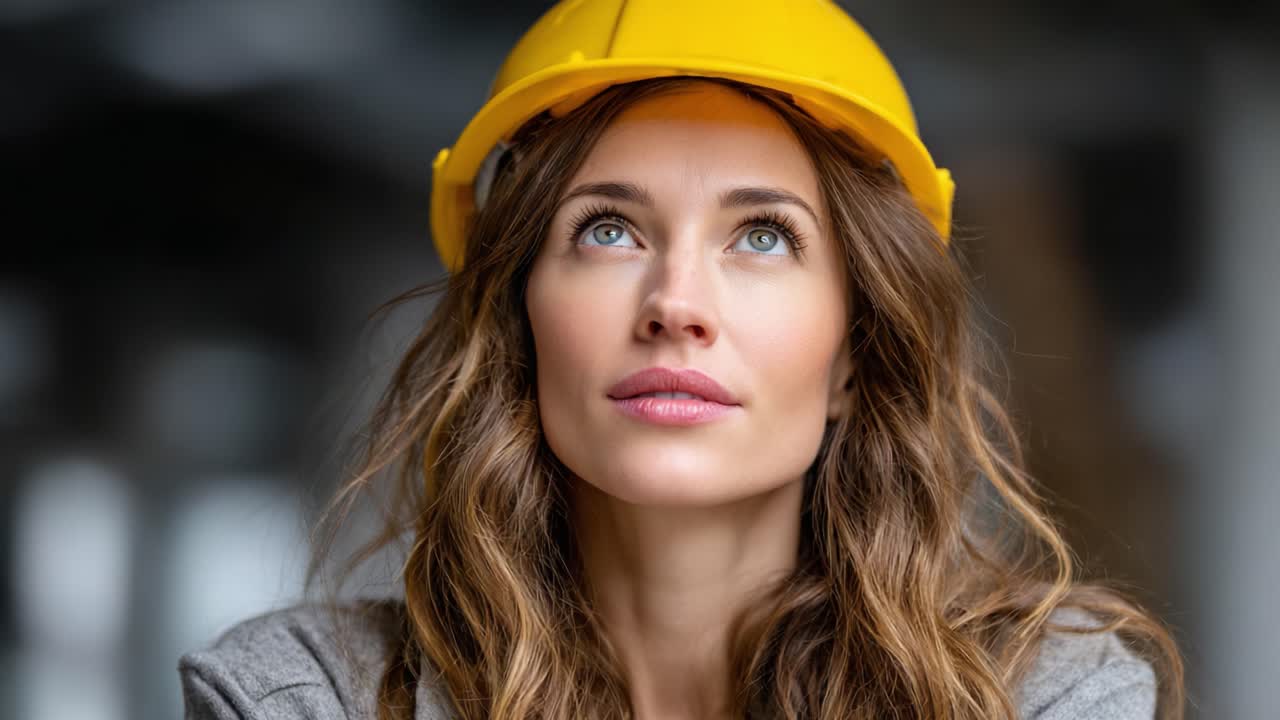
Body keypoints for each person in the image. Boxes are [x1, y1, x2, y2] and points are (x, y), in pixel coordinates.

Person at [178, 1, 1185, 718]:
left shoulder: (1038, 696)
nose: (675, 307)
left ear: (852, 356)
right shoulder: (305, 695)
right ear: (517, 324)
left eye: (761, 237)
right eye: (608, 230)